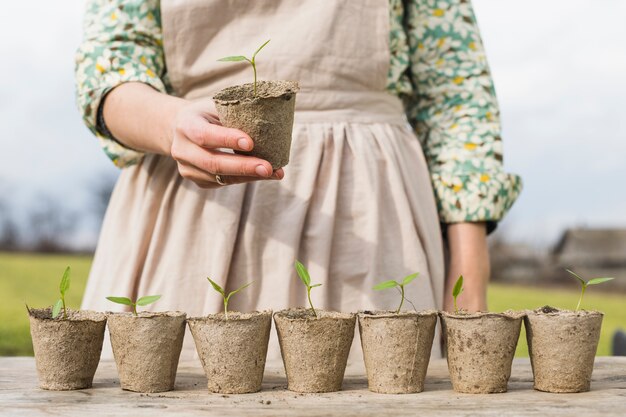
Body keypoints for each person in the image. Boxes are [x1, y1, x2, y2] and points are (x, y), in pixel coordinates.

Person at [75, 0, 521, 359]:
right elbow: (108, 67)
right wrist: (171, 124)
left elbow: (457, 95)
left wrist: (469, 286)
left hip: (370, 212)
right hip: (191, 212)